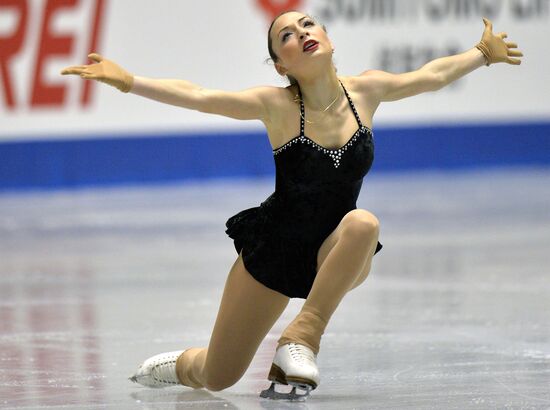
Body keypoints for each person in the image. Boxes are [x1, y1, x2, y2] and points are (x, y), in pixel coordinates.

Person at [61, 10, 523, 400]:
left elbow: (429, 77)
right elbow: (201, 97)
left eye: (308, 25)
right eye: (286, 35)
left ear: (328, 39)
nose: (301, 34)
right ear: (280, 65)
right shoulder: (276, 106)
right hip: (276, 253)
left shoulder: (367, 91)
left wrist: (481, 53)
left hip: (335, 253)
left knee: (364, 222)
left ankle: (302, 339)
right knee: (219, 376)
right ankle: (180, 364)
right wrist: (128, 81)